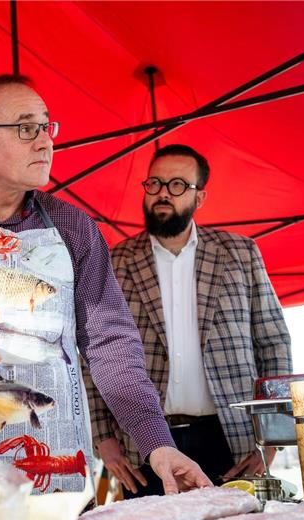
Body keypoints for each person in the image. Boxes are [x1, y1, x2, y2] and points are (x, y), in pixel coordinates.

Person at [0, 75, 210, 495]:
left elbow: (112, 344)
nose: (46, 141)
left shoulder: (75, 227)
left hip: (54, 463)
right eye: (27, 128)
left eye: (48, 128)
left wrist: (156, 443)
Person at [84, 144, 292, 497]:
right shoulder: (113, 261)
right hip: (143, 444)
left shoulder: (240, 253)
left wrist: (273, 438)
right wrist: (102, 437)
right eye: (155, 183)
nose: (163, 193)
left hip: (233, 440)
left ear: (200, 197)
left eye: (178, 185)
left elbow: (273, 345)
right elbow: (91, 352)